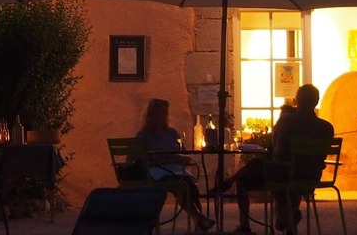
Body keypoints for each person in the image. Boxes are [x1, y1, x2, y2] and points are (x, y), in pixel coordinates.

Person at [210, 85, 334, 233]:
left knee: (251, 174)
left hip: (285, 174)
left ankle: (246, 224)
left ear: (297, 100)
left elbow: (277, 151)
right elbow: (322, 156)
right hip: (311, 176)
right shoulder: (327, 128)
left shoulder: (286, 121)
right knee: (264, 168)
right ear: (317, 101)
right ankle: (287, 218)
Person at [135, 97, 214, 231]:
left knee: (190, 185)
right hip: (157, 170)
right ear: (152, 114)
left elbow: (180, 153)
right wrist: (169, 158)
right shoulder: (144, 135)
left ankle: (198, 221)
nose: (164, 115)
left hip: (173, 168)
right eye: (161, 112)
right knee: (181, 185)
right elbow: (145, 158)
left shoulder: (172, 132)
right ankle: (199, 219)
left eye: (166, 112)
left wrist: (176, 158)